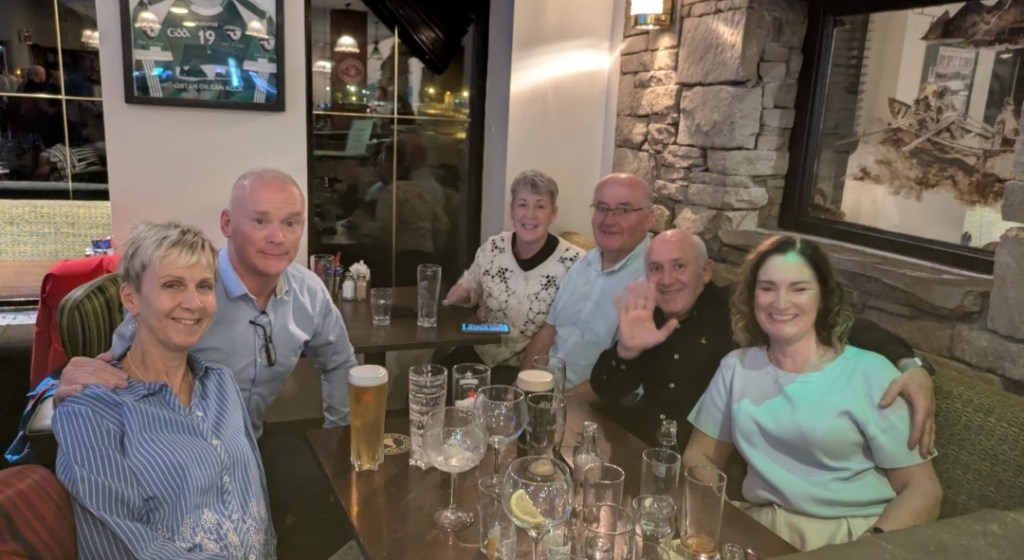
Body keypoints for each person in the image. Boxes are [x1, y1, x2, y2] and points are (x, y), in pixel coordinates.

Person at [56, 169, 358, 559]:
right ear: (227, 224)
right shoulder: (185, 284)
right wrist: (61, 390)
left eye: (291, 223)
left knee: (335, 499)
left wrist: (337, 439)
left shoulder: (226, 375)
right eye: (260, 221)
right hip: (173, 442)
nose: (277, 237)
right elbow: (118, 372)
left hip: (245, 435)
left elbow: (340, 361)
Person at [683, 235, 942, 550]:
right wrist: (717, 515)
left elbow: (923, 491)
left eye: (799, 288)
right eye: (767, 288)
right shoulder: (736, 367)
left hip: (852, 537)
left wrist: (866, 547)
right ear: (752, 297)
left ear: (823, 297)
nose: (781, 302)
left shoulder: (872, 373)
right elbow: (700, 455)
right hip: (760, 528)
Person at [590, 229, 937, 456]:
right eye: (655, 269)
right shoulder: (647, 316)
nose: (666, 279)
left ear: (706, 271)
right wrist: (626, 351)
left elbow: (845, 325)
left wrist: (913, 366)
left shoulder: (740, 310)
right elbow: (604, 388)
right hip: (647, 450)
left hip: (714, 462)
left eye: (679, 266)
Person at [53, 222, 275, 558]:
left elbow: (256, 500)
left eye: (204, 286)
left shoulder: (221, 383)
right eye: (173, 285)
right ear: (131, 298)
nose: (194, 303)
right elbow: (120, 549)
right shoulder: (91, 411)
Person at [442, 170, 584, 382]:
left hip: (531, 367)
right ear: (512, 210)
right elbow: (472, 284)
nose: (530, 214)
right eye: (522, 204)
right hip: (480, 352)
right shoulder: (494, 247)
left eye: (540, 206)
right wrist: (462, 293)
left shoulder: (574, 261)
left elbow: (568, 330)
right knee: (431, 383)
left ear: (553, 213)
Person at [521, 172, 653, 387]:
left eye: (623, 210)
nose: (609, 220)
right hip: (545, 390)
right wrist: (522, 387)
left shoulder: (654, 278)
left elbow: (623, 379)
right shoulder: (583, 262)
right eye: (601, 208)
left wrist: (559, 401)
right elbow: (548, 331)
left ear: (648, 218)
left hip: (586, 402)